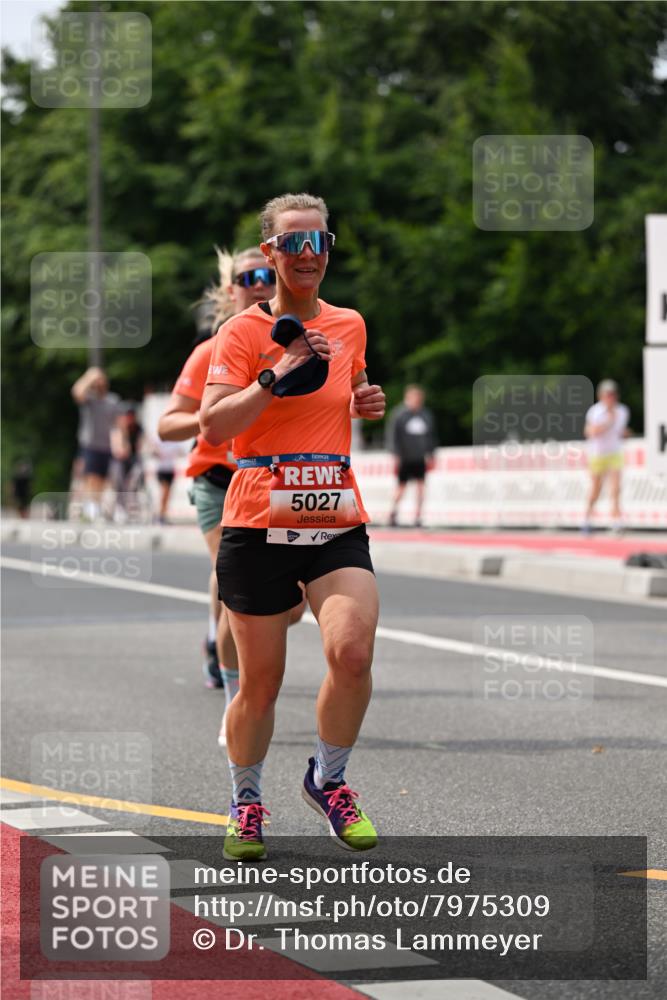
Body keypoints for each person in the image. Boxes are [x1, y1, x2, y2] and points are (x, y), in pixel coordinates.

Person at [201, 192, 386, 861]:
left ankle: (327, 781)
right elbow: (213, 425)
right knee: (260, 686)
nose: (308, 256)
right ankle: (245, 801)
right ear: (272, 252)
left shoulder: (350, 324)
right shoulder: (241, 334)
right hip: (256, 514)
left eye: (319, 243)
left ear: (328, 250)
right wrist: (273, 378)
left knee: (353, 652)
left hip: (333, 509)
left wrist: (365, 401)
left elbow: (352, 387)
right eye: (294, 244)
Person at [159, 247, 304, 721]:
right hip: (219, 479)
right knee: (232, 578)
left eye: (267, 275)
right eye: (249, 277)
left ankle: (215, 634)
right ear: (231, 289)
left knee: (294, 603)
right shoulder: (211, 349)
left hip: (275, 482)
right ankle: (234, 701)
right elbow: (167, 425)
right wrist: (211, 418)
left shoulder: (296, 339)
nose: (260, 283)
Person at [583, 379, 631, 534]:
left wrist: (625, 433)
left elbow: (621, 432)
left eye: (613, 394)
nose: (611, 398)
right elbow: (590, 432)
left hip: (614, 452)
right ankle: (587, 519)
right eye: (608, 395)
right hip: (598, 453)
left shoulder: (623, 411)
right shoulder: (595, 411)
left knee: (616, 488)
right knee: (596, 488)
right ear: (601, 396)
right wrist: (609, 422)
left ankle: (616, 521)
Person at [71, 367, 119, 520]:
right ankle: (91, 508)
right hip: (89, 445)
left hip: (106, 445)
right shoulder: (89, 399)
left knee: (103, 480)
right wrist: (89, 376)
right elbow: (77, 391)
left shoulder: (113, 400)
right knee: (91, 478)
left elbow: (117, 425)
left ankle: (95, 506)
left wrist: (119, 443)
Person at [385, 384, 437, 527]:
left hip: (419, 457)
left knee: (421, 487)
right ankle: (393, 513)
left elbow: (431, 437)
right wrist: (395, 455)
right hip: (404, 457)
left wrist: (432, 454)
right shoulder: (399, 414)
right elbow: (393, 436)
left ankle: (418, 517)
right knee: (401, 487)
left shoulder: (425, 415)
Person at [109, 403, 145, 521]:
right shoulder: (117, 429)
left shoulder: (138, 429)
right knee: (119, 481)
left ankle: (131, 508)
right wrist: (124, 432)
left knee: (133, 481)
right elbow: (119, 451)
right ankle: (120, 508)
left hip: (133, 460)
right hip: (120, 461)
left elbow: (140, 447)